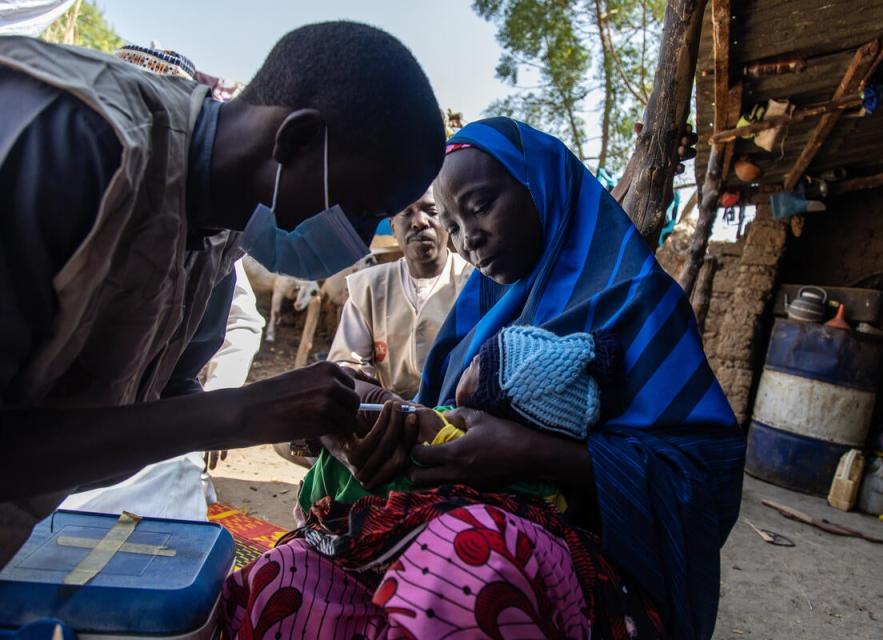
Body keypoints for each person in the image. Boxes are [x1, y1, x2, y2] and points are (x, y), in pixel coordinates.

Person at [222, 118, 745, 640]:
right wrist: (379, 430)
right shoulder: (477, 312)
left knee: (468, 561)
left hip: (582, 562)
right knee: (285, 579)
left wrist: (535, 455)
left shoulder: (637, 304)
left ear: (541, 187)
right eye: (453, 223)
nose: (467, 237)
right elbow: (437, 412)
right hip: (436, 524)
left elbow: (704, 480)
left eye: (479, 206)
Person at [0, 22, 445, 560]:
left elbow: (166, 398)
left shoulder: (219, 233)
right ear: (295, 141)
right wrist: (245, 414)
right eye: (362, 210)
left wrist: (315, 418)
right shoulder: (79, 144)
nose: (354, 242)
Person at [298, 325, 620, 513]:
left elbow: (331, 386)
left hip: (330, 504)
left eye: (478, 363)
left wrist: (376, 399)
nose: (470, 359)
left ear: (481, 404)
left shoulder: (442, 432)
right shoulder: (547, 495)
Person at [327, 185, 472, 399]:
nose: (419, 222)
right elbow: (347, 365)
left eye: (431, 211)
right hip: (389, 418)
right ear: (393, 227)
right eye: (406, 213)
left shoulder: (475, 282)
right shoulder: (368, 287)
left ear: (448, 221)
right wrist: (378, 398)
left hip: (457, 419)